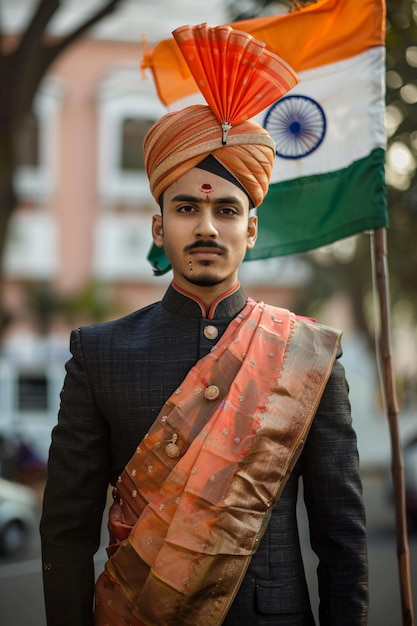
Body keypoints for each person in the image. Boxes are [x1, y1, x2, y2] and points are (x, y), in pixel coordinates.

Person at [40, 23, 368, 626]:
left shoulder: (308, 355)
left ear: (252, 229)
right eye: (187, 208)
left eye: (226, 210)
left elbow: (341, 537)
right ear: (160, 227)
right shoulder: (99, 352)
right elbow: (66, 529)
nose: (208, 228)